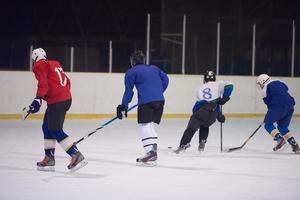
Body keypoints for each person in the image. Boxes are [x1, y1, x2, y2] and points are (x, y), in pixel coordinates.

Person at [24, 48, 87, 172]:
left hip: (57, 101)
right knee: (46, 127)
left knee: (55, 129)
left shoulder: (38, 65)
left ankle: (75, 154)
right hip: (65, 98)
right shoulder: (55, 63)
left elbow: (43, 84)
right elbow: (67, 81)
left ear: (34, 58)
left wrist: (38, 99)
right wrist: (59, 94)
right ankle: (49, 157)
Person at [116, 50, 169, 166]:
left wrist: (123, 106)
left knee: (144, 125)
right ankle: (153, 149)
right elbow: (166, 79)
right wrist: (158, 92)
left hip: (146, 102)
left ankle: (150, 153)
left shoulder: (131, 72)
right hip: (160, 100)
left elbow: (129, 92)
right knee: (150, 124)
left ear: (132, 61)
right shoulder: (154, 68)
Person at [174, 70, 233, 153]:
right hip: (213, 114)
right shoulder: (219, 84)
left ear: (204, 79)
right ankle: (202, 142)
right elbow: (230, 85)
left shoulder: (200, 88)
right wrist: (225, 99)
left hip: (203, 110)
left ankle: (183, 145)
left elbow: (198, 106)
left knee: (191, 127)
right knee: (205, 124)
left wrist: (194, 114)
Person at [256, 74, 299, 153]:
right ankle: (294, 145)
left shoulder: (264, 90)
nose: (260, 86)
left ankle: (279, 139)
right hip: (290, 106)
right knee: (282, 127)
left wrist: (269, 115)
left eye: (259, 84)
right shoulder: (279, 81)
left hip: (278, 105)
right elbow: (286, 88)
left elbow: (268, 103)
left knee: (268, 125)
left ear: (262, 82)